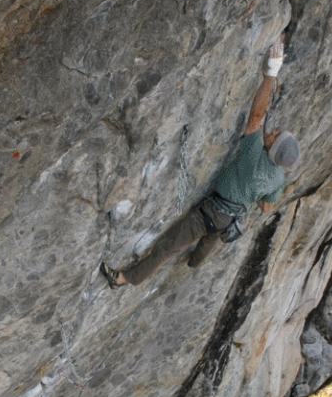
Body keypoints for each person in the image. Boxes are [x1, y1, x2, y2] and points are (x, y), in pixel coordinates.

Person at [100, 41, 300, 289]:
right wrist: (252, 192)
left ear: (273, 147)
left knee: (164, 248)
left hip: (210, 214)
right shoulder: (278, 178)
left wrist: (271, 73)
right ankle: (194, 263)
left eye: (275, 136)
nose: (274, 131)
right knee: (204, 246)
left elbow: (256, 116)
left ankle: (123, 278)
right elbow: (267, 207)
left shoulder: (253, 152)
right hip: (228, 220)